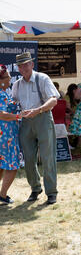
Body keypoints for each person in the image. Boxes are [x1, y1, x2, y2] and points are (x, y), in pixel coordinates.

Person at [12, 52, 60, 205]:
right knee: (28, 159)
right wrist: (16, 113)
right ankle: (35, 188)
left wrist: (38, 110)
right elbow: (14, 104)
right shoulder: (17, 84)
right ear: (18, 68)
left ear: (32, 64)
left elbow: (53, 100)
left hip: (43, 118)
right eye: (21, 65)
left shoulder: (42, 78)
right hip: (26, 122)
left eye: (26, 64)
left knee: (48, 157)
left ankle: (51, 192)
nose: (24, 68)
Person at [0, 65, 25, 205]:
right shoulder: (0, 94)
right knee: (12, 165)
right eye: (7, 76)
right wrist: (17, 116)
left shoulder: (3, 92)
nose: (10, 77)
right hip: (6, 136)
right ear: (1, 80)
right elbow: (1, 114)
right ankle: (2, 195)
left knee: (1, 165)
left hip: (5, 134)